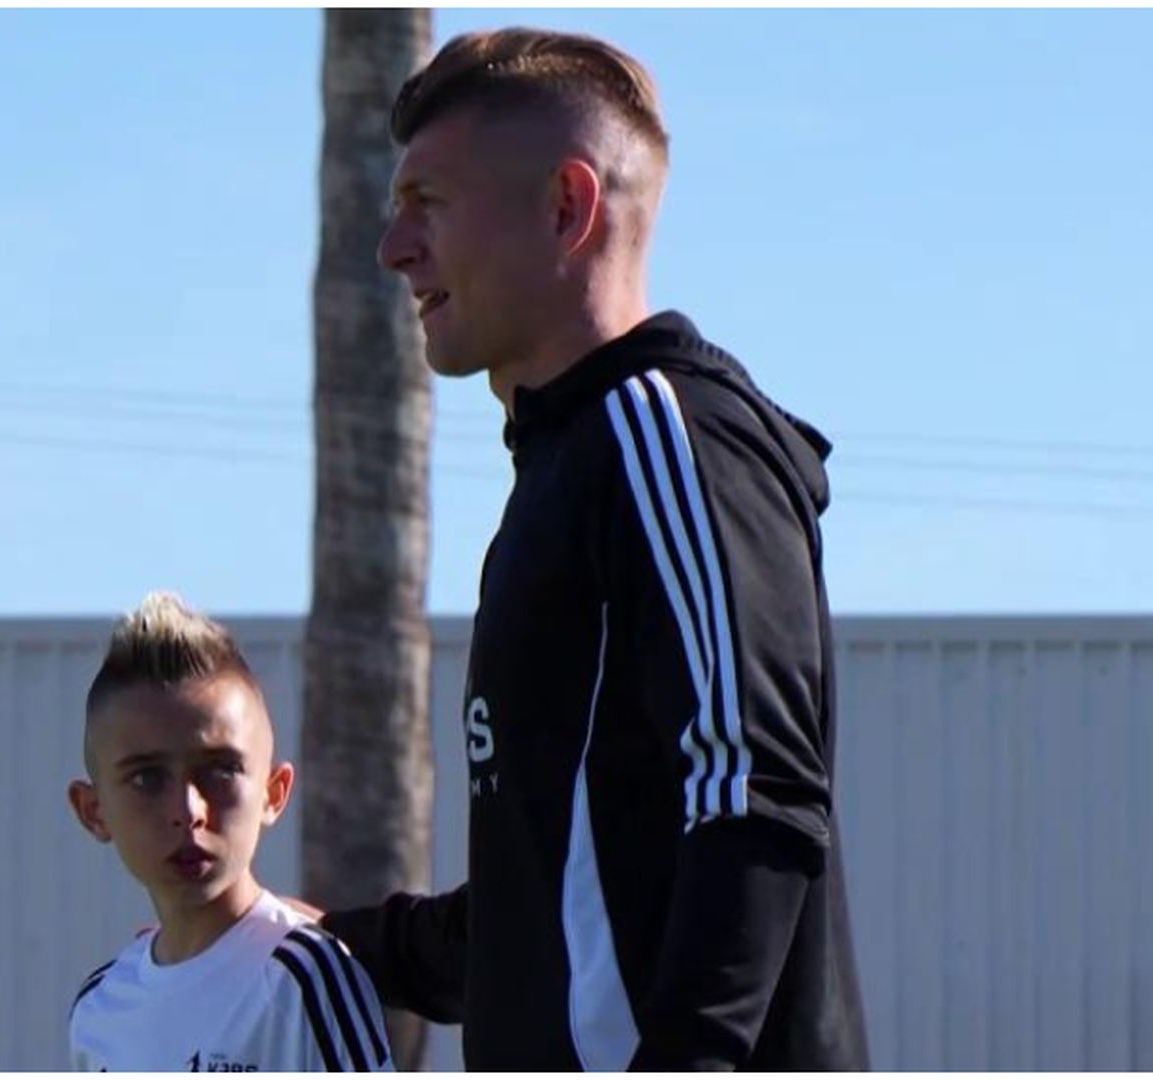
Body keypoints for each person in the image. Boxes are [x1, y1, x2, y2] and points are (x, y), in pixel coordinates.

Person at [312, 27, 871, 1070]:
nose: (392, 249)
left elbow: (754, 796)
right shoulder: (570, 472)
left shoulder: (664, 436)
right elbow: (550, 914)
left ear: (567, 208)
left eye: (426, 204)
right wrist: (328, 945)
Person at [68, 592, 393, 1072]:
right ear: (94, 811)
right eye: (147, 778)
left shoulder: (305, 974)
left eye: (219, 772)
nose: (188, 810)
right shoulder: (99, 1007)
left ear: (273, 792)